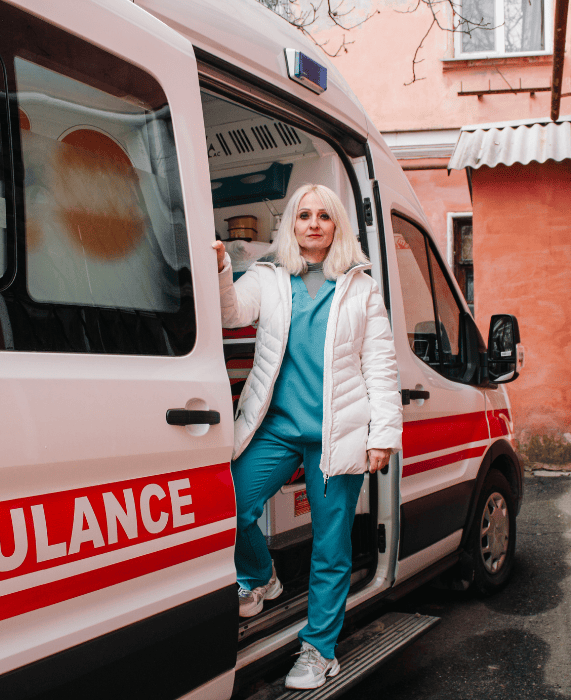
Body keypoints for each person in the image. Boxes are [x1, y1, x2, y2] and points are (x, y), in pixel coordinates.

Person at [212, 183, 403, 690]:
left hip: (335, 434)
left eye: (323, 215)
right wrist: (219, 271)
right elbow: (232, 313)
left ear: (337, 225)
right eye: (303, 215)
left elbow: (380, 367)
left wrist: (381, 433)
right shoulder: (269, 277)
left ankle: (320, 649)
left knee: (330, 547)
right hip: (276, 427)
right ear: (291, 226)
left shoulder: (361, 287)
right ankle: (260, 577)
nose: (313, 223)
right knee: (230, 504)